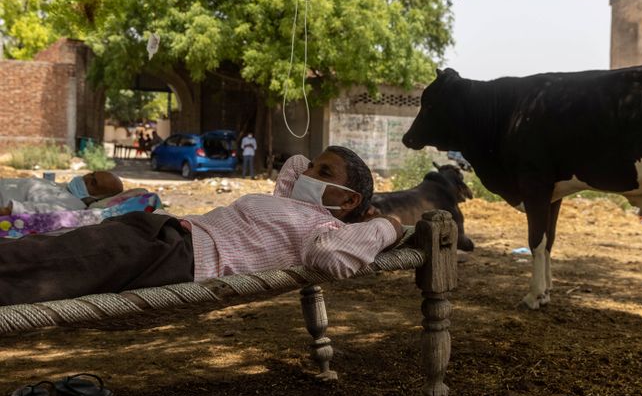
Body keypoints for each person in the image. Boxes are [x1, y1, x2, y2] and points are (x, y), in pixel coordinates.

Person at [0, 146, 403, 305]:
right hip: (163, 229)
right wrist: (312, 167)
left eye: (324, 170)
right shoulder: (287, 203)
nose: (308, 172)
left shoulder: (326, 234)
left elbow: (332, 257)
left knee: (47, 262)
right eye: (314, 165)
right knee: (55, 249)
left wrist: (390, 224)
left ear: (348, 200)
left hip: (179, 255)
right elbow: (293, 166)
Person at [0, 171, 124, 216]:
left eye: (93, 183)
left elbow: (12, 211)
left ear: (99, 198)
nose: (86, 178)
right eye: (91, 174)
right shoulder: (65, 189)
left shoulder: (70, 205)